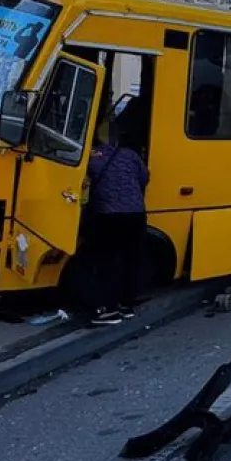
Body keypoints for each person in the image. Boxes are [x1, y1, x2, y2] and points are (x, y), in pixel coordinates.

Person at [72, 123, 151, 326]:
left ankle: (108, 310)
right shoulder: (130, 155)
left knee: (108, 262)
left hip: (109, 215)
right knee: (131, 260)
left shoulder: (90, 157)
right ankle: (126, 305)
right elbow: (145, 177)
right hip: (136, 214)